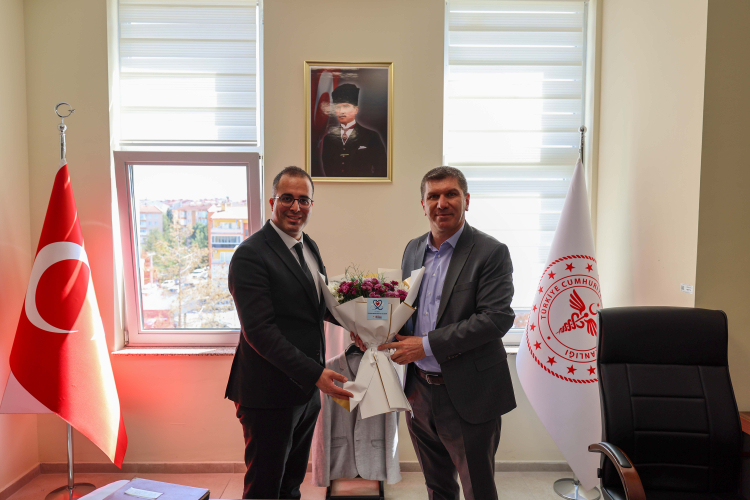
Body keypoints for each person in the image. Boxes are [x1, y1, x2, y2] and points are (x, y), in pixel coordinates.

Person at [378, 166, 516, 500]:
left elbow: (496, 319)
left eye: (451, 194)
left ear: (466, 200)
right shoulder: (413, 249)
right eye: (433, 196)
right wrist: (375, 332)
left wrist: (425, 346)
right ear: (423, 204)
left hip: (470, 394)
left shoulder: (491, 252)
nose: (442, 203)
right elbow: (406, 309)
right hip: (419, 392)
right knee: (437, 487)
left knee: (478, 490)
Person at [225, 166, 353, 499]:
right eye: (287, 198)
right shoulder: (250, 255)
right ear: (272, 202)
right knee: (265, 488)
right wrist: (316, 374)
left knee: (291, 485)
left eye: (303, 200)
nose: (296, 207)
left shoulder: (308, 246)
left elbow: (319, 305)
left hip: (305, 392)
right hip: (267, 394)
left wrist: (358, 326)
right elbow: (260, 332)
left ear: (311, 205)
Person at [320, 83, 387, 178]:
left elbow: (381, 169)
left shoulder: (372, 136)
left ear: (356, 109)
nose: (341, 111)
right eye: (338, 107)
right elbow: (328, 170)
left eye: (346, 106)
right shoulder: (329, 139)